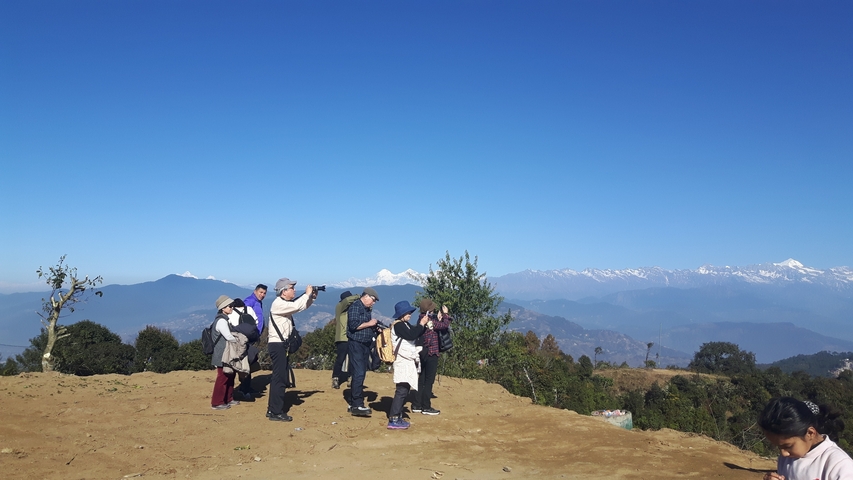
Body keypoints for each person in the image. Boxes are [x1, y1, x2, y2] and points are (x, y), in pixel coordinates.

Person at [758, 396, 853, 480]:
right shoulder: (786, 459)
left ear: (810, 433)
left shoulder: (839, 465)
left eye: (787, 446)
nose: (783, 453)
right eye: (779, 447)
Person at [266, 277, 316, 422]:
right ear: (284, 291)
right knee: (280, 378)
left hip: (280, 345)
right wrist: (307, 294)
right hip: (278, 345)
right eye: (292, 288)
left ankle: (272, 409)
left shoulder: (282, 304)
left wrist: (311, 298)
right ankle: (276, 411)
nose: (294, 290)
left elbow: (299, 307)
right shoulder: (278, 304)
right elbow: (296, 306)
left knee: (278, 377)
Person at [387, 300, 427, 430]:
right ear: (401, 314)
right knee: (402, 389)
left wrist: (422, 326)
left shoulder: (403, 324)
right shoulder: (399, 326)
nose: (410, 314)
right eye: (408, 312)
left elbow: (414, 332)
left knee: (404, 388)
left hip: (405, 361)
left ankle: (396, 416)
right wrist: (421, 324)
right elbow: (412, 334)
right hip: (402, 361)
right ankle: (393, 418)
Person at [411, 298, 451, 416]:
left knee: (421, 379)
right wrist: (446, 314)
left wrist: (437, 318)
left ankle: (417, 404)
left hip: (423, 352)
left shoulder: (421, 318)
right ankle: (426, 406)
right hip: (432, 353)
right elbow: (444, 325)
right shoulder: (430, 321)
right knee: (429, 380)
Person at [346, 287, 380, 417]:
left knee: (360, 373)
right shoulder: (355, 307)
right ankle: (357, 404)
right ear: (366, 296)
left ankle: (353, 401)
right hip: (356, 344)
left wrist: (375, 328)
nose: (374, 302)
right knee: (359, 373)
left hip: (364, 344)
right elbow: (353, 325)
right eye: (373, 300)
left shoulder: (365, 309)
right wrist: (370, 323)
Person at [210, 295, 239, 410]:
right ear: (223, 308)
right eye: (229, 306)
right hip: (222, 354)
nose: (232, 307)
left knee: (229, 375)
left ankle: (228, 398)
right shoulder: (222, 321)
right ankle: (217, 402)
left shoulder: (223, 320)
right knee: (222, 377)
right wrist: (239, 340)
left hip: (224, 353)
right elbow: (228, 336)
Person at [239, 285, 266, 398]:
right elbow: (243, 315)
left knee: (250, 361)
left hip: (254, 335)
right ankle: (244, 388)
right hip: (249, 336)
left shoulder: (258, 302)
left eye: (264, 293)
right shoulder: (249, 301)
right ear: (255, 291)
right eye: (260, 292)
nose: (262, 295)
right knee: (247, 361)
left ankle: (247, 386)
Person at [332, 290, 358, 389]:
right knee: (340, 358)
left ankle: (350, 378)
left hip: (351, 337)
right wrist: (359, 296)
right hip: (342, 338)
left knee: (352, 359)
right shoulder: (340, 307)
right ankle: (336, 378)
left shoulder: (350, 310)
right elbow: (347, 301)